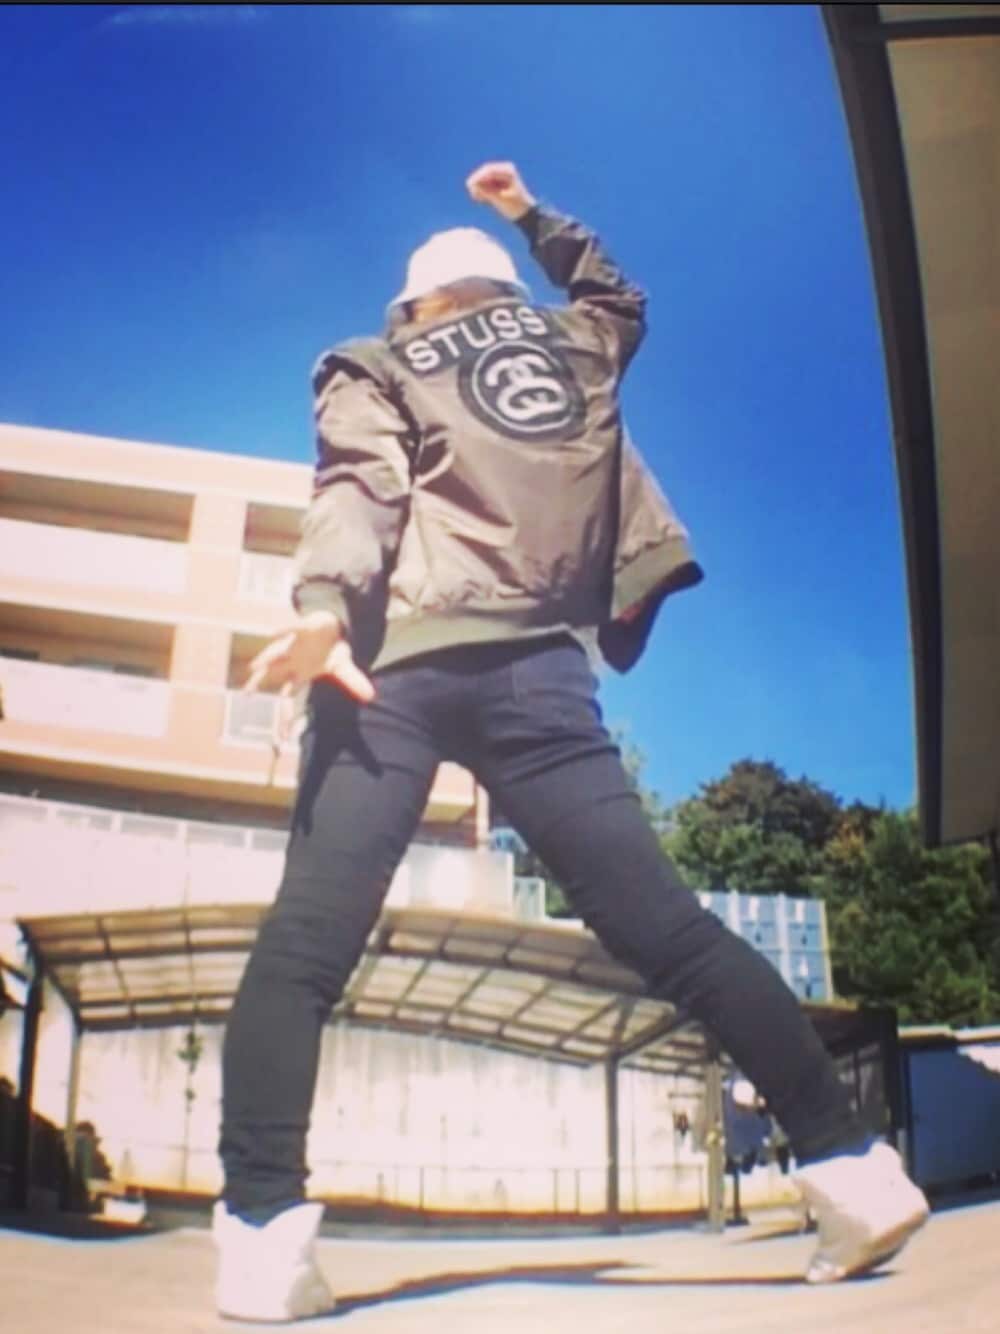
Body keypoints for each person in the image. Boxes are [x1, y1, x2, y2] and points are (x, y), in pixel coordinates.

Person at [213, 162, 929, 1321]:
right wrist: (529, 213)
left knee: (305, 943)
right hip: (537, 671)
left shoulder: (377, 359)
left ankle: (261, 1234)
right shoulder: (579, 347)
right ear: (506, 295)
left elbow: (361, 483)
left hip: (385, 667)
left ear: (413, 306)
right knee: (672, 931)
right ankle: (850, 1167)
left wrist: (321, 608)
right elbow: (618, 295)